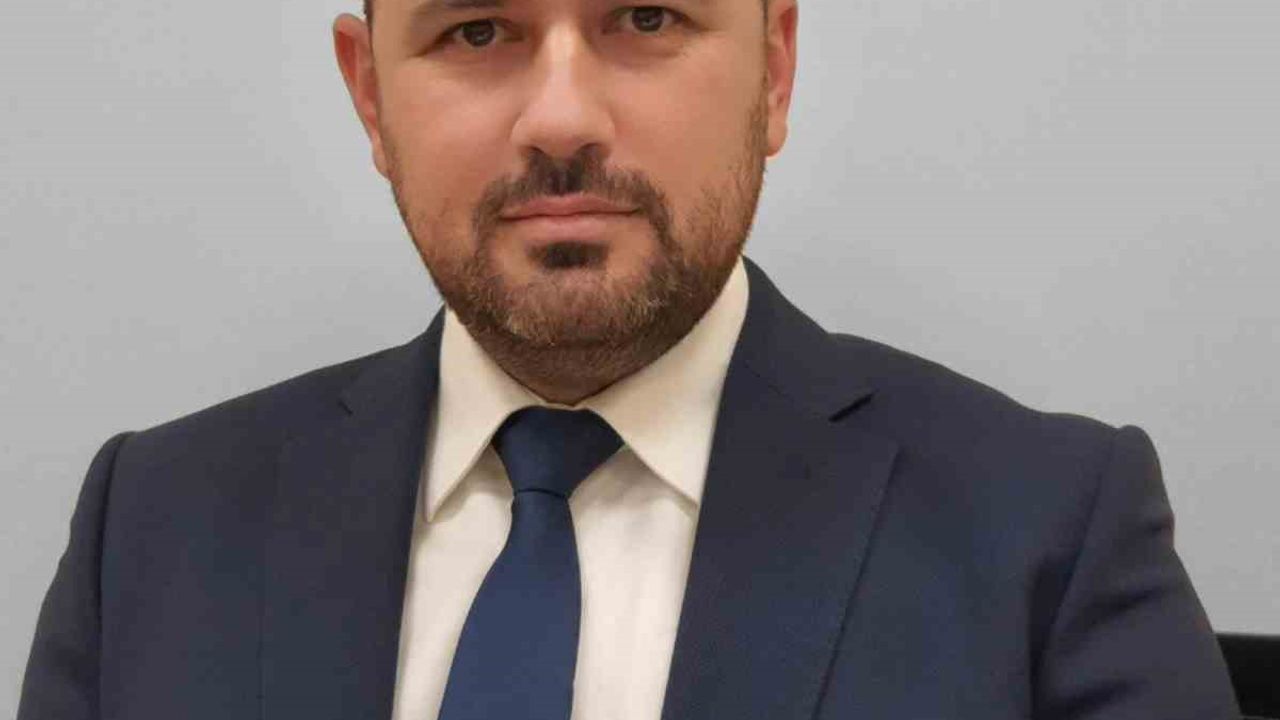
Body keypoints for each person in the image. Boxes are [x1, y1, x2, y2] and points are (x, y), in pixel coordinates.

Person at [18, 0, 1239, 718]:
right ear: (370, 99)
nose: (561, 119)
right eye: (477, 29)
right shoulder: (152, 527)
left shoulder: (1047, 533)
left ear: (772, 69)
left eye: (646, 19)